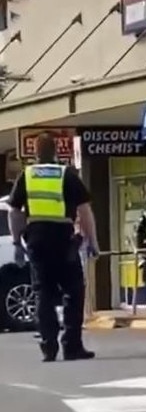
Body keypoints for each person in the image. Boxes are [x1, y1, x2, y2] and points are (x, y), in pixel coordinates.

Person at [7, 132, 99, 362]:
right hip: (64, 240)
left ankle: (49, 347)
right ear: (56, 151)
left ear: (36, 153)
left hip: (37, 240)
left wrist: (17, 242)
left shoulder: (26, 176)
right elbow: (85, 211)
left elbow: (14, 212)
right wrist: (92, 241)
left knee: (43, 294)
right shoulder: (66, 174)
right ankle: (72, 345)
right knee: (74, 292)